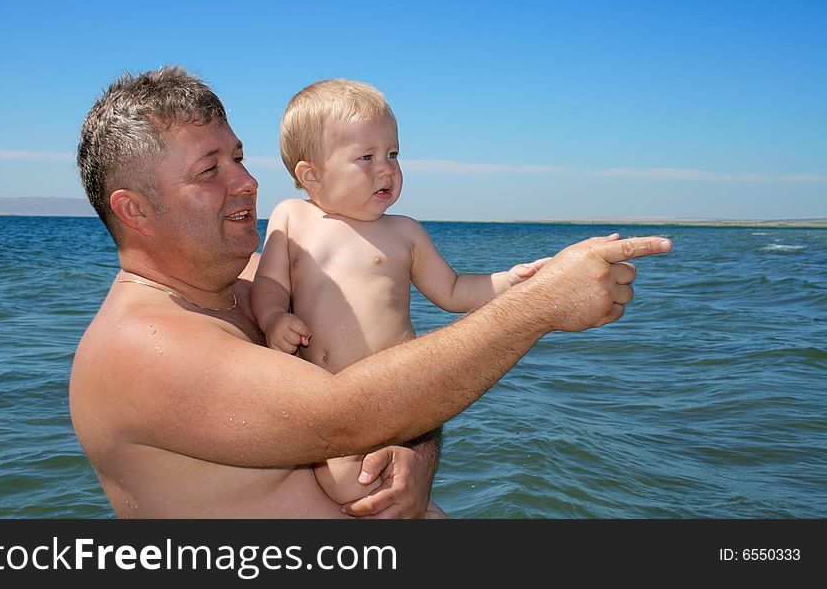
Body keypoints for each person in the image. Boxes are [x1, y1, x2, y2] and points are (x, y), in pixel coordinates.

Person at [70, 65, 672, 519]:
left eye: (239, 157)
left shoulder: (259, 285)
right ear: (135, 210)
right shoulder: (141, 344)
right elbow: (346, 416)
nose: (247, 182)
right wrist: (539, 305)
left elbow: (393, 384)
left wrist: (415, 453)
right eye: (210, 171)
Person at [250, 79, 551, 512]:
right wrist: (274, 317)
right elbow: (270, 283)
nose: (387, 168)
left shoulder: (405, 232)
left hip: (402, 396)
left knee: (394, 489)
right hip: (333, 401)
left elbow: (452, 290)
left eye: (393, 154)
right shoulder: (292, 218)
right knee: (353, 485)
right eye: (366, 158)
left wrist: (511, 280)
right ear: (311, 175)